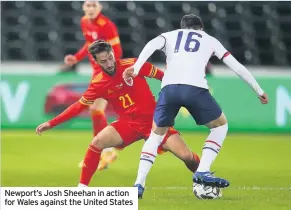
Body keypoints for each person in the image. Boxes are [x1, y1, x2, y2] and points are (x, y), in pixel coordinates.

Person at [123, 14, 269, 198]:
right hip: (195, 89)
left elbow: (151, 45)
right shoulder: (209, 39)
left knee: (155, 135)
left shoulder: (169, 35)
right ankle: (203, 170)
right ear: (201, 28)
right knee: (220, 126)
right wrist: (258, 90)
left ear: (182, 27)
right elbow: (236, 66)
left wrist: (135, 69)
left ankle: (138, 184)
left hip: (169, 89)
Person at [36, 40, 200, 190]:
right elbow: (79, 106)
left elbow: (163, 77)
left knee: (186, 156)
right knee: (98, 141)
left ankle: (204, 179)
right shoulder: (98, 83)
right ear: (95, 61)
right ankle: (82, 189)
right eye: (103, 61)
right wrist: (51, 123)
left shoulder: (135, 64)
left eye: (110, 58)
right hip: (128, 124)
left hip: (154, 121)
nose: (109, 63)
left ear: (113, 53)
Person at [63, 0, 123, 169]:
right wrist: (76, 58)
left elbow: (116, 51)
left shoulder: (107, 25)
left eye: (93, 6)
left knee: (95, 109)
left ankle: (105, 151)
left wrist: (110, 72)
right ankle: (105, 152)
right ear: (83, 7)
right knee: (96, 110)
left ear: (99, 8)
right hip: (96, 73)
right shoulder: (84, 22)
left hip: (105, 74)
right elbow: (89, 44)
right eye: (87, 6)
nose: (90, 9)